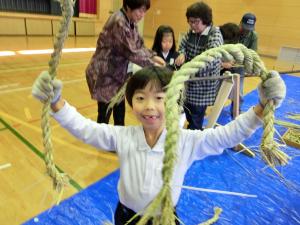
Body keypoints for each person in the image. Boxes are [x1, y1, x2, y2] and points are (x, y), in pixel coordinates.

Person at [32, 66, 286, 224]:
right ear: (131, 104)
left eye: (159, 98)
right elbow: (87, 129)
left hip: (165, 219)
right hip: (127, 217)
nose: (150, 106)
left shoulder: (186, 141)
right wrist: (57, 103)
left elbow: (225, 136)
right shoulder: (123, 136)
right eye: (141, 98)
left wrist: (261, 108)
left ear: (173, 103)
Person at [85, 0, 165, 126]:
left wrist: (153, 56)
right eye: (140, 10)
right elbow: (132, 52)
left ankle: (119, 144)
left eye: (144, 11)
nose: (142, 15)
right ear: (128, 7)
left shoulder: (131, 21)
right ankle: (101, 143)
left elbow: (138, 45)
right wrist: (153, 65)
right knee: (104, 116)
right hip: (105, 76)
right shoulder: (119, 22)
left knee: (119, 114)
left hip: (118, 77)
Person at [174, 1, 224, 130]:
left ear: (205, 20)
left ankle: (194, 135)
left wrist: (187, 70)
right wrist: (182, 53)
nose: (192, 25)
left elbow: (208, 61)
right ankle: (192, 129)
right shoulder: (192, 31)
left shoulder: (215, 35)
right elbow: (183, 44)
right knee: (187, 109)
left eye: (195, 21)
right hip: (189, 82)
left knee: (196, 114)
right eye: (190, 22)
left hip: (203, 85)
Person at [219, 22, 243, 118]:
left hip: (235, 68)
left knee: (238, 93)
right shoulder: (218, 39)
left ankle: (236, 112)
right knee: (220, 92)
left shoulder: (236, 45)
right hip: (220, 69)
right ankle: (217, 109)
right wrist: (223, 64)